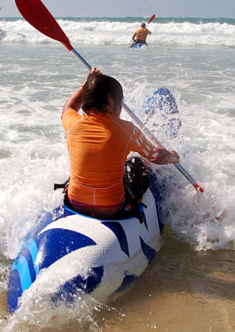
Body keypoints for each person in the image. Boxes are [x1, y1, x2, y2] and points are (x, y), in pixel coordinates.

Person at [61, 68, 179, 219]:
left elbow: (68, 108)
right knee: (138, 161)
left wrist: (85, 84)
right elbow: (158, 157)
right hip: (112, 207)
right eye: (120, 101)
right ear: (111, 100)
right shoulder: (127, 130)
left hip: (75, 203)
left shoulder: (72, 122)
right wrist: (173, 156)